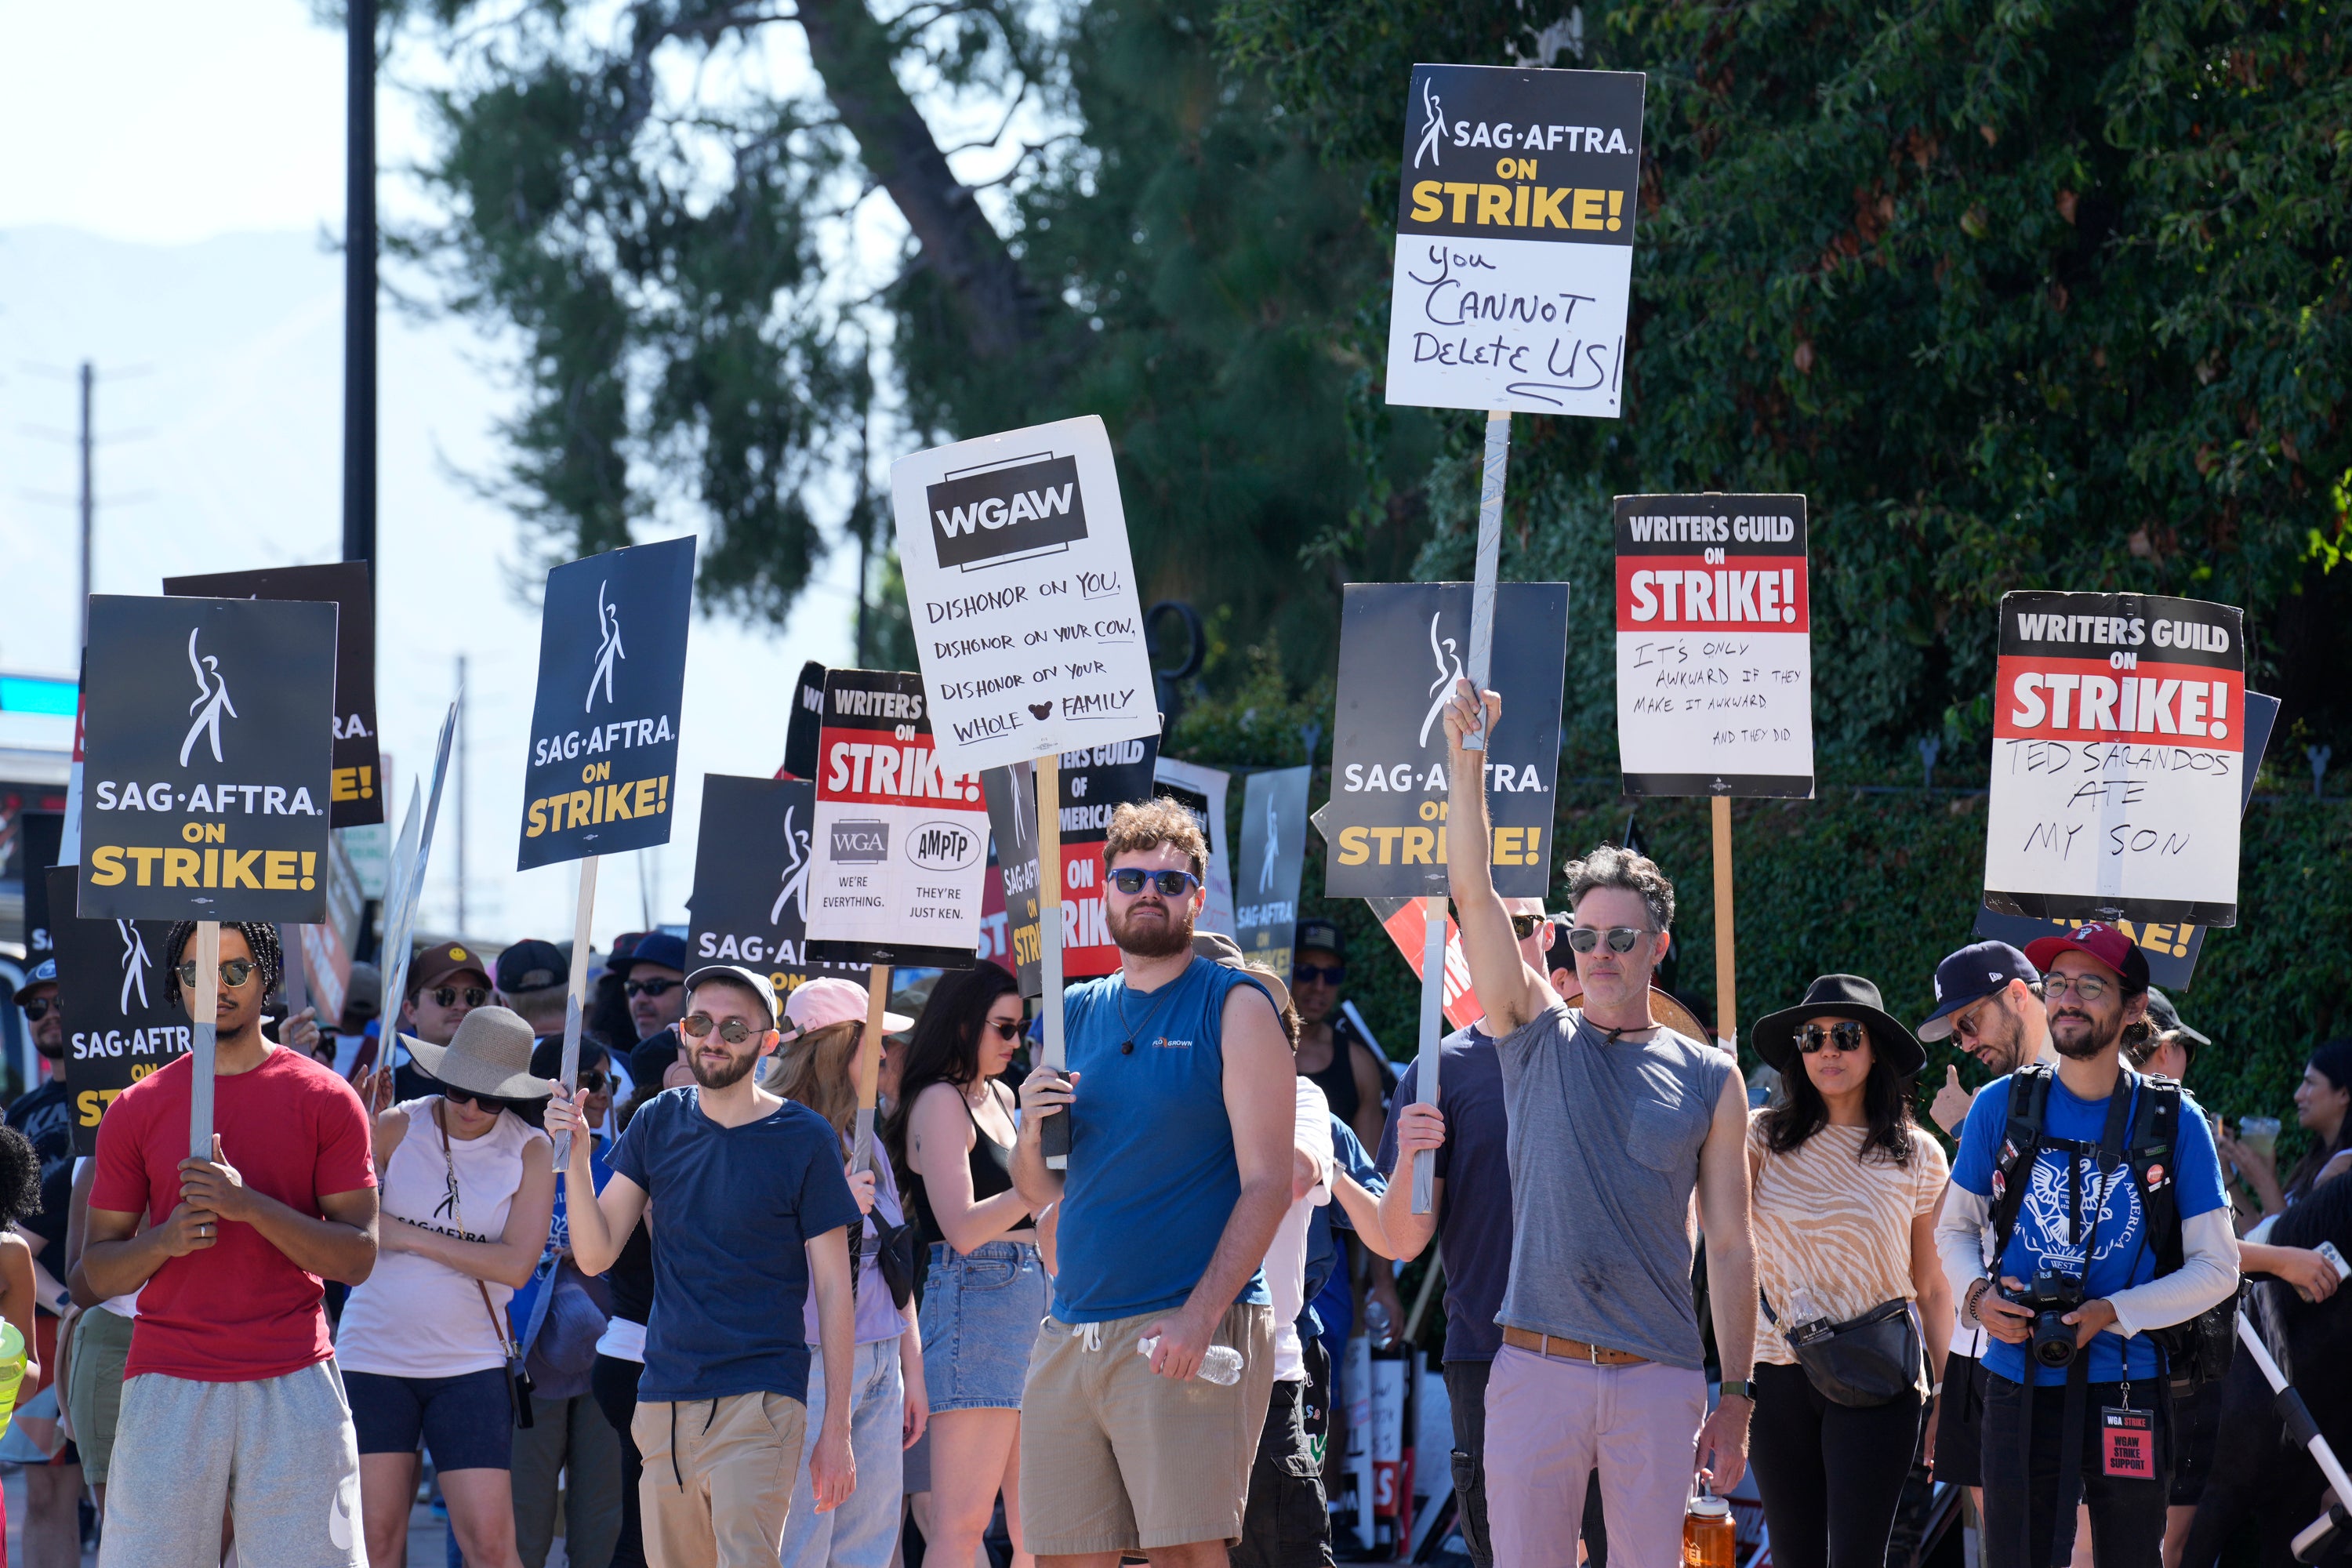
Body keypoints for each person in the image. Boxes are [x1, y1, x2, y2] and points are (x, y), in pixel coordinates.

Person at [1433, 678, 1757, 1568]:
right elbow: (1474, 888)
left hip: (1660, 1378)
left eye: (1622, 936)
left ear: (1658, 945)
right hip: (1536, 1367)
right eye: (1585, 935)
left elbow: (1731, 1248)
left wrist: (1737, 1392)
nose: (1600, 953)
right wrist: (1470, 765)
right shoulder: (1532, 1034)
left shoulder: (1710, 1075)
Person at [1011, 797, 1294, 1567]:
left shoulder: (1236, 1005)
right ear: (1103, 890)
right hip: (1073, 1324)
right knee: (1063, 1555)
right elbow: (1042, 1188)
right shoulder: (1067, 1015)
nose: (1150, 891)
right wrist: (1030, 1128)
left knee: (1184, 1556)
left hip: (1189, 1321)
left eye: (1171, 881)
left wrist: (1201, 1319)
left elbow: (1269, 1182)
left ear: (1197, 899)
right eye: (1132, 876)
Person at [1936, 924, 2239, 1568]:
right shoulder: (2001, 1106)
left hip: (2128, 1383)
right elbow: (1954, 1229)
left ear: (2133, 1008)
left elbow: (2219, 1268)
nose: (2068, 999)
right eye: (2059, 984)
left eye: (2090, 986)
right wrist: (1977, 1296)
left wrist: (2115, 1312)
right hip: (2015, 1375)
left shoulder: (2173, 1119)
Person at [546, 962, 861, 1568]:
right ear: (683, 1033)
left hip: (762, 1398)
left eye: (735, 1027)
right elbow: (595, 1252)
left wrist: (837, 1430)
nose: (714, 1038)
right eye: (701, 1022)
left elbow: (833, 1288)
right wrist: (578, 1159)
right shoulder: (656, 1120)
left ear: (768, 1043)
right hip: (663, 1399)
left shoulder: (806, 1137)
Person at [85, 920, 379, 1568]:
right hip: (167, 1379)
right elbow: (96, 1274)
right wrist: (166, 1239)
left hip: (295, 1379)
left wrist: (247, 1207)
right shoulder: (137, 1107)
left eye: (234, 970)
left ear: (267, 978)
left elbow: (358, 1256)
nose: (213, 986)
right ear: (175, 983)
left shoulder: (327, 1099)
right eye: (194, 972)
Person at [335, 1006, 557, 1568]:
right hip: (373, 1355)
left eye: (491, 1098)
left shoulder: (531, 1148)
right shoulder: (395, 1124)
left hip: (471, 1364)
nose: (472, 1108)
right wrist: (356, 1128)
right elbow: (347, 1224)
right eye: (460, 1091)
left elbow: (514, 1267)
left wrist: (405, 1234)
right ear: (442, 1078)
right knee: (375, 1542)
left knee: (489, 1545)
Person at [1742, 975, 1951, 1568]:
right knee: (1793, 1557)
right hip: (1774, 1371)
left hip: (1877, 1372)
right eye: (1812, 1037)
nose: (1827, 1049)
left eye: (1845, 1035)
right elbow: (1724, 1245)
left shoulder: (1918, 1152)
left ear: (1875, 1048)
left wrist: (1945, 1394)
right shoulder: (1759, 1137)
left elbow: (1933, 1285)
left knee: (1859, 1558)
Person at [2125, 993, 2339, 1568]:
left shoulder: (2137, 1124)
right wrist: (2283, 1261)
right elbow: (2182, 1250)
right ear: (2166, 1053)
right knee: (2160, 1540)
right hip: (2156, 1362)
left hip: (2142, 1354)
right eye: (2182, 1053)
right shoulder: (2159, 1125)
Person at [1375, 899, 1559, 1568]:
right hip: (1488, 1354)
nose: (1503, 940)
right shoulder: (1439, 1069)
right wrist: (1410, 1158)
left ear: (1550, 934)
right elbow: (1402, 1241)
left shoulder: (1602, 1055)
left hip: (1604, 1353)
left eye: (1520, 925)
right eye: (1485, 923)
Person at [884, 964, 1043, 1568]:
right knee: (961, 1524)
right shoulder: (937, 1101)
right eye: (1003, 1028)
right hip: (975, 1297)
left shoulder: (1004, 1094)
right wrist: (1039, 1186)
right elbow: (962, 1227)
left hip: (1034, 1297)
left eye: (1019, 1029)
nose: (1015, 1043)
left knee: (1041, 1527)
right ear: (961, 1025)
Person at [769, 975, 927, 1568]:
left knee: (870, 1545)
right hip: (809, 1359)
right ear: (839, 1046)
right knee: (801, 1544)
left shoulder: (865, 1137)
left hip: (882, 1356)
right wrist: (829, 1204)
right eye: (874, 1040)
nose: (886, 1054)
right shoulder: (775, 1131)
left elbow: (894, 1258)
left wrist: (911, 1369)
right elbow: (759, 1248)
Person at [1915, 940, 2053, 1516]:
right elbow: (1954, 1232)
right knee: (2003, 1536)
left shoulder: (2089, 1082)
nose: (1967, 1043)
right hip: (1979, 1346)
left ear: (2018, 995)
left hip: (2059, 1343)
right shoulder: (1995, 1102)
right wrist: (1950, 1382)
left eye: (1970, 1022)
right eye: (1957, 1033)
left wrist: (1968, 1127)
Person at [5, 960, 85, 1568]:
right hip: (46, 1325)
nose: (50, 1013)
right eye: (36, 1007)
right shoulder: (20, 1116)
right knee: (46, 1492)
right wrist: (60, 1298)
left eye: (62, 1000)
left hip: (130, 1317)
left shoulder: (131, 1095)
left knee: (130, 1492)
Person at [588, 1075, 662, 1568]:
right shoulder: (651, 1163)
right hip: (637, 1361)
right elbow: (594, 1254)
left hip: (638, 1362)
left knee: (649, 1529)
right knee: (646, 1534)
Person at [2219, 1036, 2352, 1220]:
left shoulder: (2343, 1169)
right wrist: (2226, 1174)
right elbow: (2259, 1233)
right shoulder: (2314, 1162)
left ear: (2344, 1094)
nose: (2298, 1095)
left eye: (2310, 1083)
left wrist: (2264, 1180)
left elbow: (2295, 1245)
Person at [390, 942, 496, 1102]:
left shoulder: (500, 1092)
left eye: (474, 996)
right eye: (445, 995)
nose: (462, 1006)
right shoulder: (385, 1093)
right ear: (411, 1011)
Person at [615, 932, 689, 1044]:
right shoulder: (615, 1060)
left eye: (655, 986)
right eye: (632, 988)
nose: (639, 999)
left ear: (690, 990)